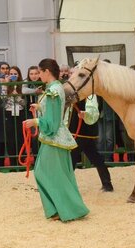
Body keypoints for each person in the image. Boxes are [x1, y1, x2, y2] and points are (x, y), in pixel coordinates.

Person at [24, 58, 89, 222]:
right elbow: (55, 109)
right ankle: (62, 208)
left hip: (53, 137)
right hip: (54, 138)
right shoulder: (56, 87)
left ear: (46, 71)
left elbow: (52, 122)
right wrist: (40, 107)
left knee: (46, 173)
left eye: (40, 72)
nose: (39, 75)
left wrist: (36, 121)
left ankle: (64, 209)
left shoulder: (53, 90)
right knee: (56, 174)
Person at [66, 94, 113, 192]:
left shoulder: (89, 94)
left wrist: (86, 114)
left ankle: (67, 186)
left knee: (72, 158)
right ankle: (107, 184)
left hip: (83, 131)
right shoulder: (75, 91)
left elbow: (93, 110)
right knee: (94, 157)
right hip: (79, 131)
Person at [2, 66, 26, 165]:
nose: (13, 76)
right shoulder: (6, 85)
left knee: (20, 137)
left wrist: (18, 98)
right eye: (11, 74)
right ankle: (12, 161)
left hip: (20, 113)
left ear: (19, 75)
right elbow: (2, 100)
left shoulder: (22, 86)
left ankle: (20, 160)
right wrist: (5, 85)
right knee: (10, 138)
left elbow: (25, 103)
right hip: (9, 113)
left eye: (15, 74)